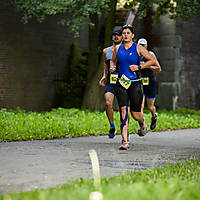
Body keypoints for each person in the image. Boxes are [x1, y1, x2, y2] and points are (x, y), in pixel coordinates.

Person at [110, 24, 156, 150]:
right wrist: (112, 66)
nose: (125, 35)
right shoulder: (117, 48)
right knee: (123, 111)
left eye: (128, 33)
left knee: (136, 114)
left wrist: (139, 67)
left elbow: (152, 60)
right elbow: (112, 60)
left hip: (135, 84)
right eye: (123, 33)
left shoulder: (139, 48)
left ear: (132, 35)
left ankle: (142, 124)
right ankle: (125, 141)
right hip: (121, 83)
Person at [99, 29, 122, 138]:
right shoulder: (106, 51)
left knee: (123, 107)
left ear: (122, 37)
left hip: (123, 81)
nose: (116, 37)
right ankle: (112, 126)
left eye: (118, 35)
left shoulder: (125, 49)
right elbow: (105, 63)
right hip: (111, 81)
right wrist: (104, 75)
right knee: (108, 103)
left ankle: (124, 128)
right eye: (114, 35)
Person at [137, 38, 161, 130]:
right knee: (140, 106)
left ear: (146, 46)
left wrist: (147, 65)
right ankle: (142, 127)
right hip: (140, 81)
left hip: (150, 81)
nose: (142, 47)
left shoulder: (150, 55)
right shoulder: (136, 55)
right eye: (140, 45)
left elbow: (159, 68)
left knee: (150, 106)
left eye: (143, 45)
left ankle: (154, 116)